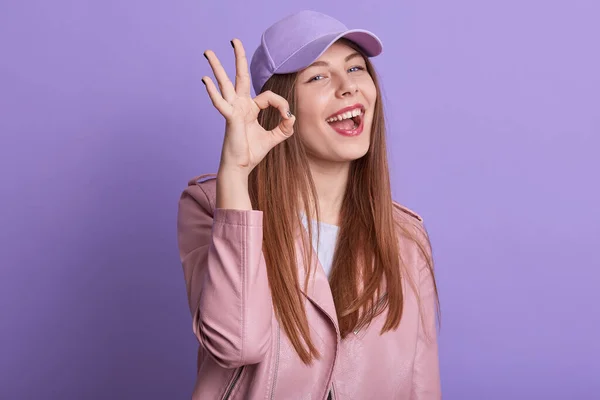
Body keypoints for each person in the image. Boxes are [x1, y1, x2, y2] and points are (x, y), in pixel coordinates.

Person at [176, 10, 441, 400]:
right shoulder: (212, 207)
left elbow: (421, 385)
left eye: (355, 68)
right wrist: (235, 174)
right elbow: (236, 344)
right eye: (318, 76)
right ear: (279, 105)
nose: (348, 87)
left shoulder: (406, 238)